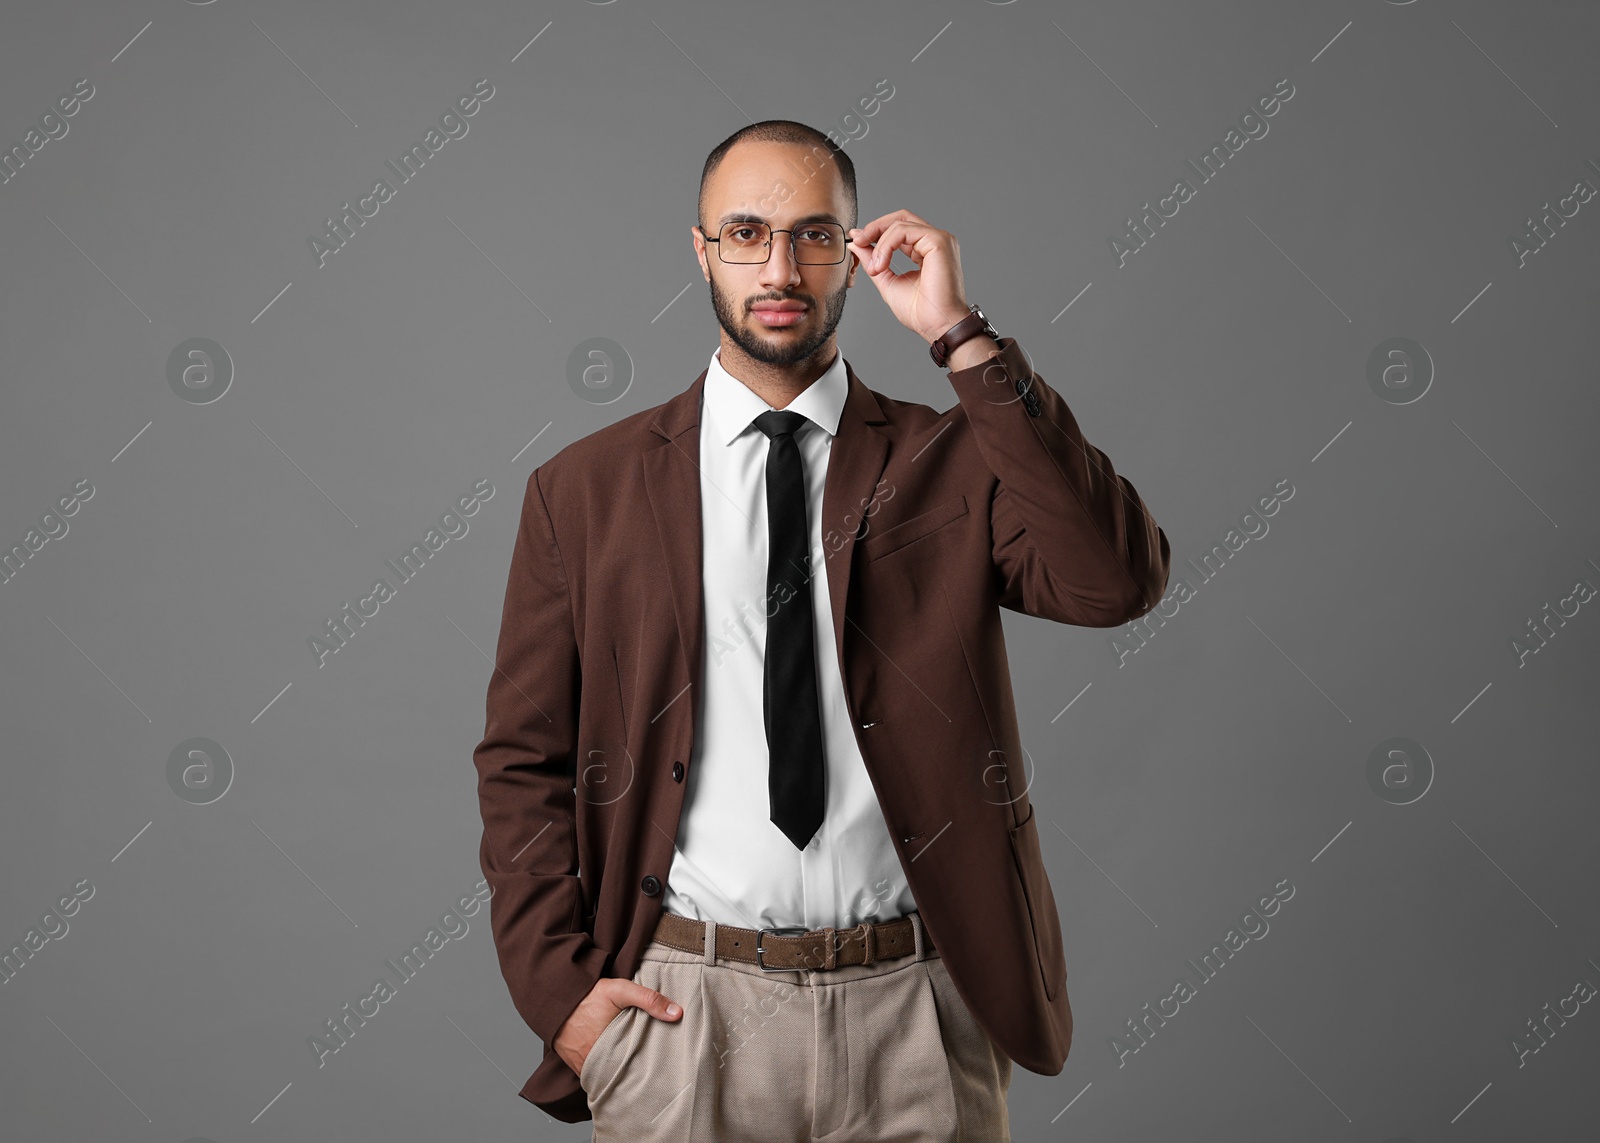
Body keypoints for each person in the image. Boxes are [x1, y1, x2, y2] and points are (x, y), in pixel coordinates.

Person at [472, 119, 1170, 1139]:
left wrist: (959, 336)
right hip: (681, 1015)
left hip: (921, 1011)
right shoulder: (583, 490)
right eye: (746, 233)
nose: (779, 267)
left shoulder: (951, 459)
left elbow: (1112, 583)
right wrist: (563, 999)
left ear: (854, 252)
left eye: (812, 235)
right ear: (702, 250)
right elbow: (519, 761)